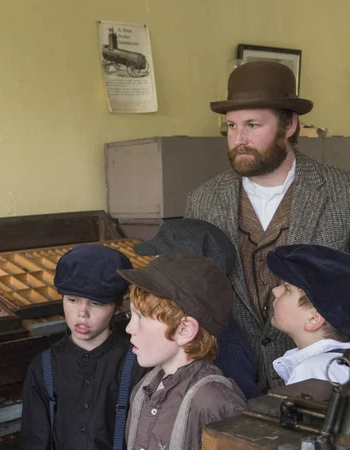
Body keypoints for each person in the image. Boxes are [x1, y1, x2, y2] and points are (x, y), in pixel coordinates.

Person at [185, 60, 350, 391]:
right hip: (231, 381)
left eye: (253, 125)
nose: (239, 138)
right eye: (231, 126)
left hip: (324, 386)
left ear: (290, 126)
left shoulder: (341, 193)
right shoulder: (201, 202)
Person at [20, 245, 146, 450]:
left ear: (117, 306)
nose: (82, 314)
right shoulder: (43, 367)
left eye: (97, 303)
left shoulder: (138, 364)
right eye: (73, 300)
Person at [115, 253, 246, 450]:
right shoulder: (145, 388)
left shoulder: (214, 402)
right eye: (131, 315)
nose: (129, 327)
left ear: (185, 330)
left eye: (141, 318)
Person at [134, 218, 259, 398]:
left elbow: (239, 417)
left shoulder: (228, 347)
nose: (152, 268)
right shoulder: (165, 329)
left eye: (161, 261)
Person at [267, 244, 350, 385]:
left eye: (287, 289)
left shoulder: (315, 371)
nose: (275, 291)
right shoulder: (337, 365)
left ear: (313, 319)